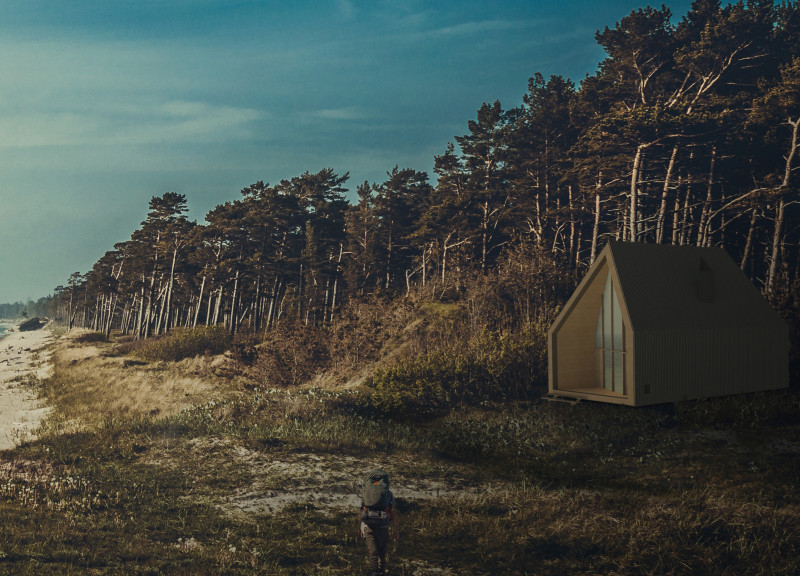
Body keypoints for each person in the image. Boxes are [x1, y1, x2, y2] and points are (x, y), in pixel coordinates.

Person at [358, 469, 399, 576]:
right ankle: (380, 571)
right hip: (383, 527)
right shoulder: (388, 494)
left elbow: (361, 510)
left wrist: (359, 528)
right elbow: (393, 512)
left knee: (373, 552)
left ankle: (374, 572)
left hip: (368, 526)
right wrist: (396, 531)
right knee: (381, 552)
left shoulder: (366, 493)